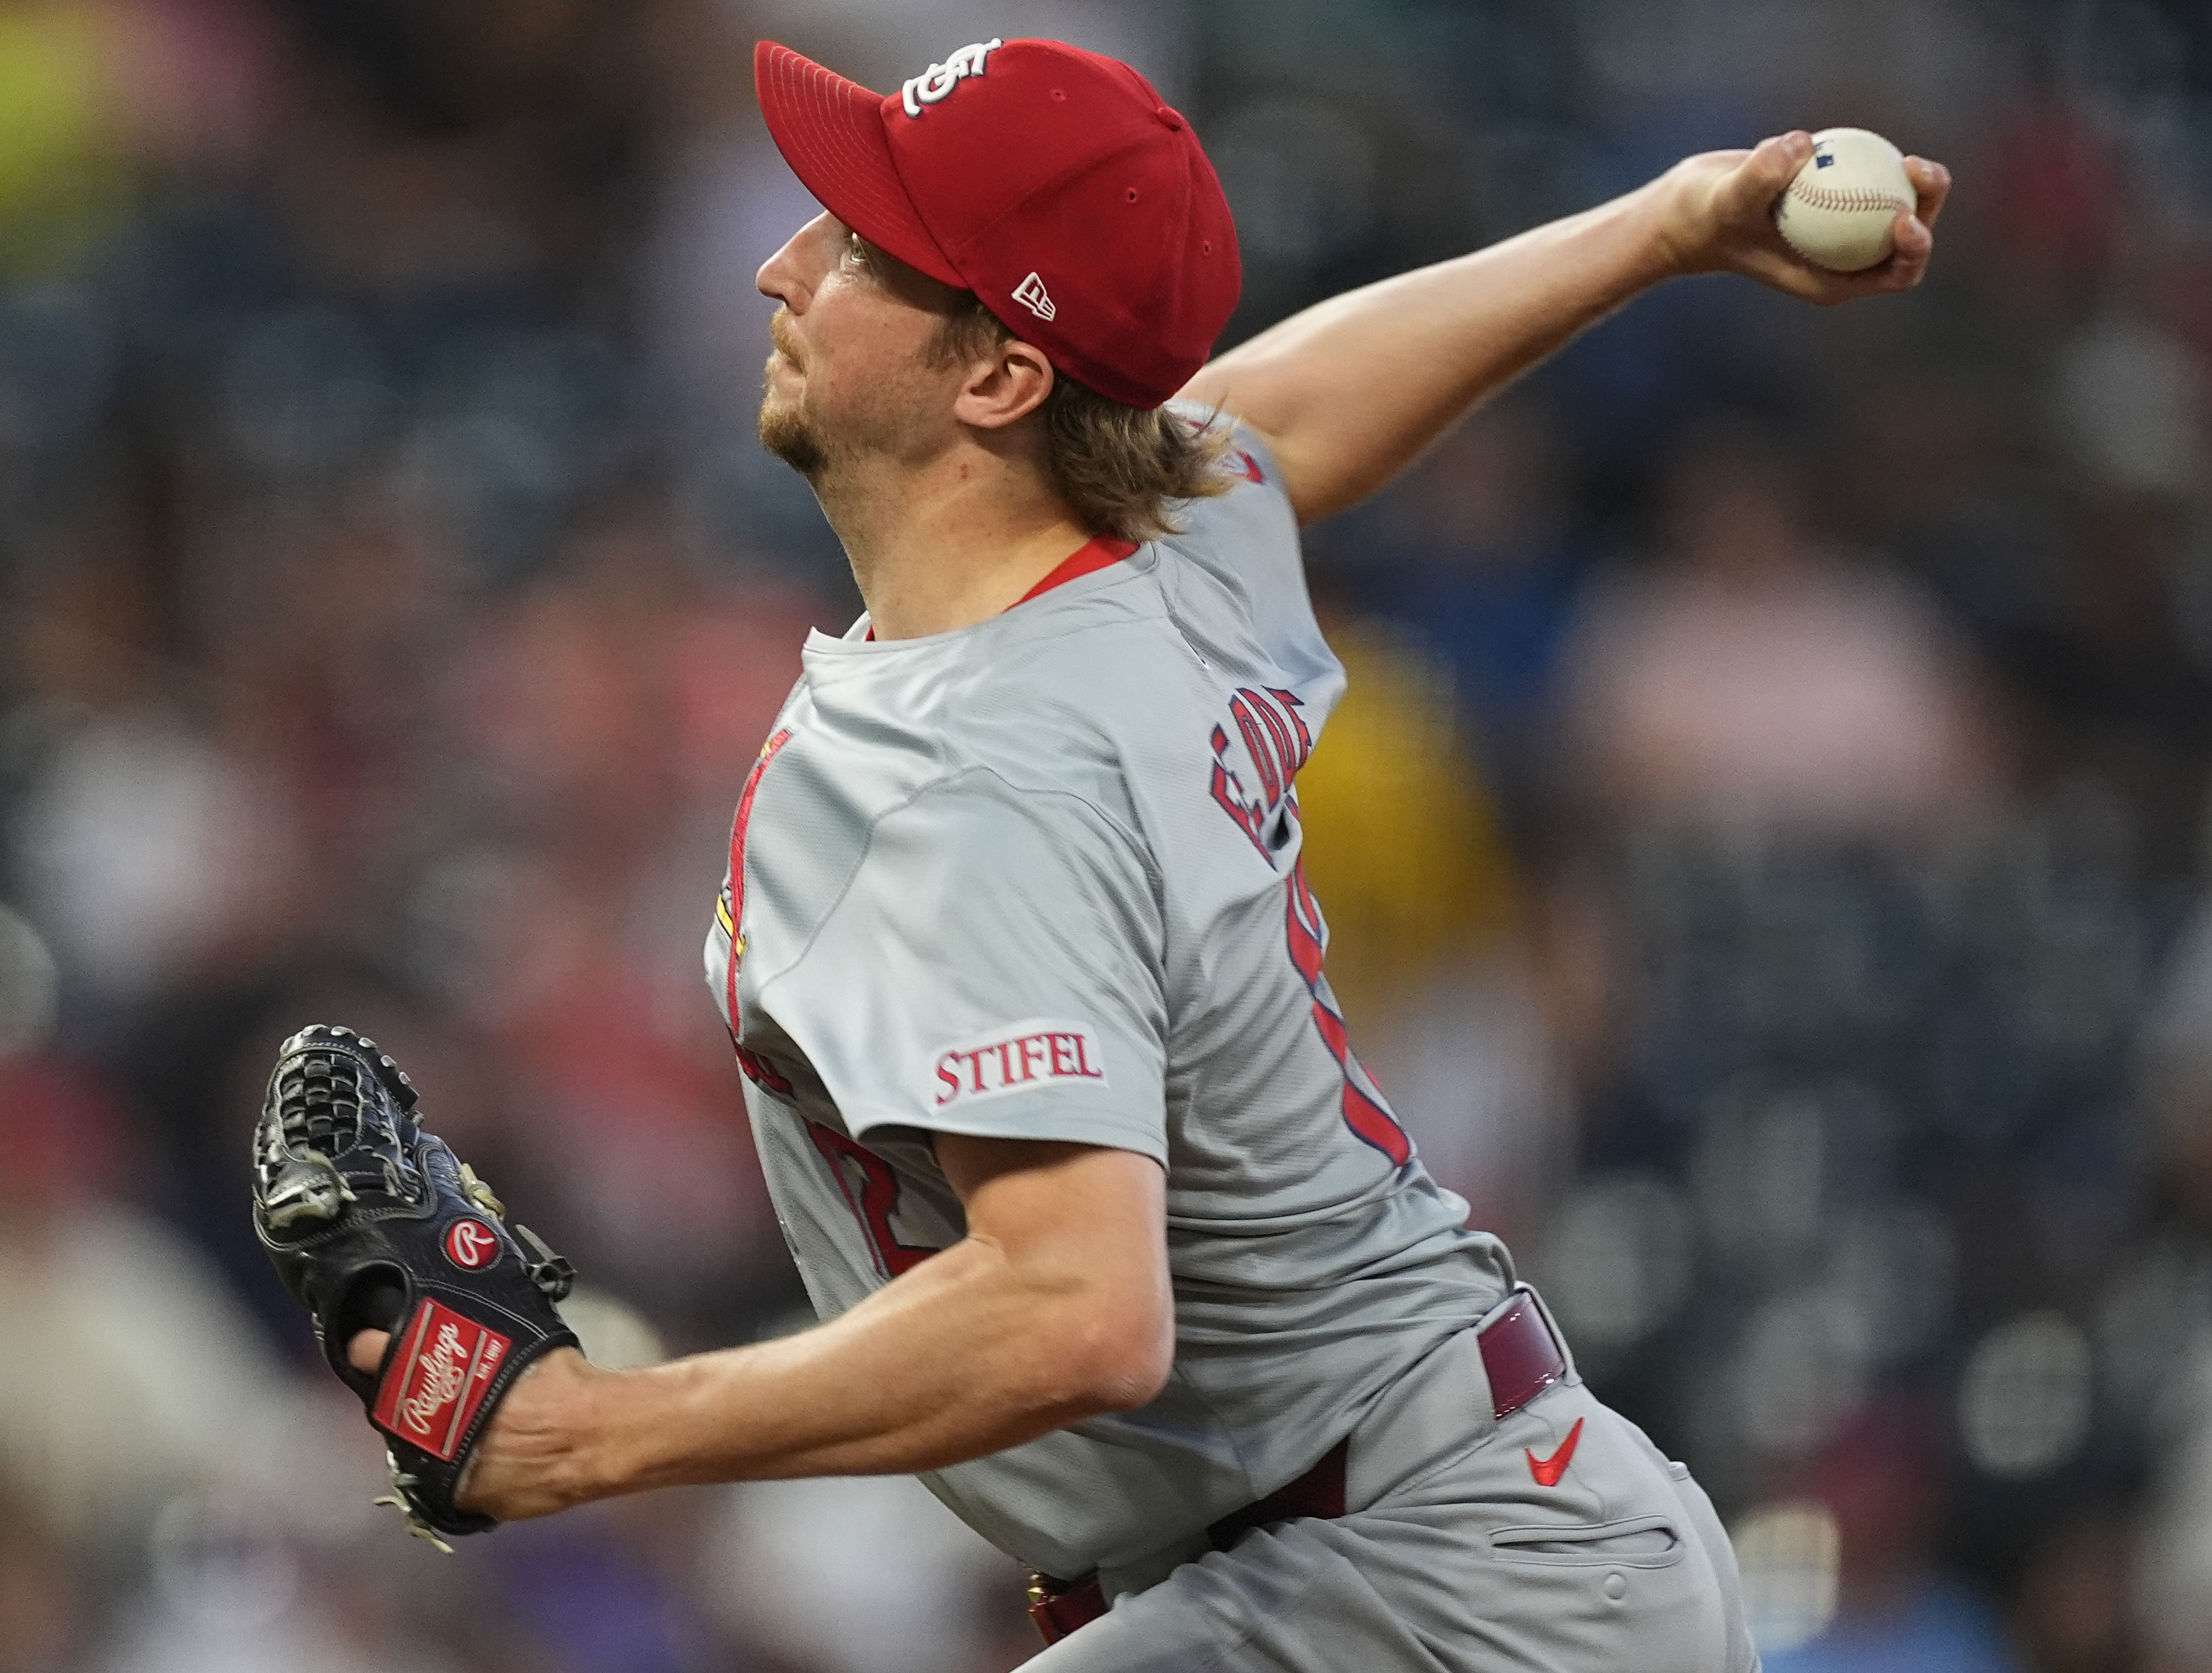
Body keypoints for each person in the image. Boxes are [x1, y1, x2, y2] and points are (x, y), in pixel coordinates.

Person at [348, 35, 1949, 1670]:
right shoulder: (1152, 542)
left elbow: (1079, 1309)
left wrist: (590, 1429)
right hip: (1455, 1542)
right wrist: (1670, 225)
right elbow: (1288, 413)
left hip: (1414, 1583)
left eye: (855, 247)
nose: (783, 262)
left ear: (997, 377)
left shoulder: (976, 767)